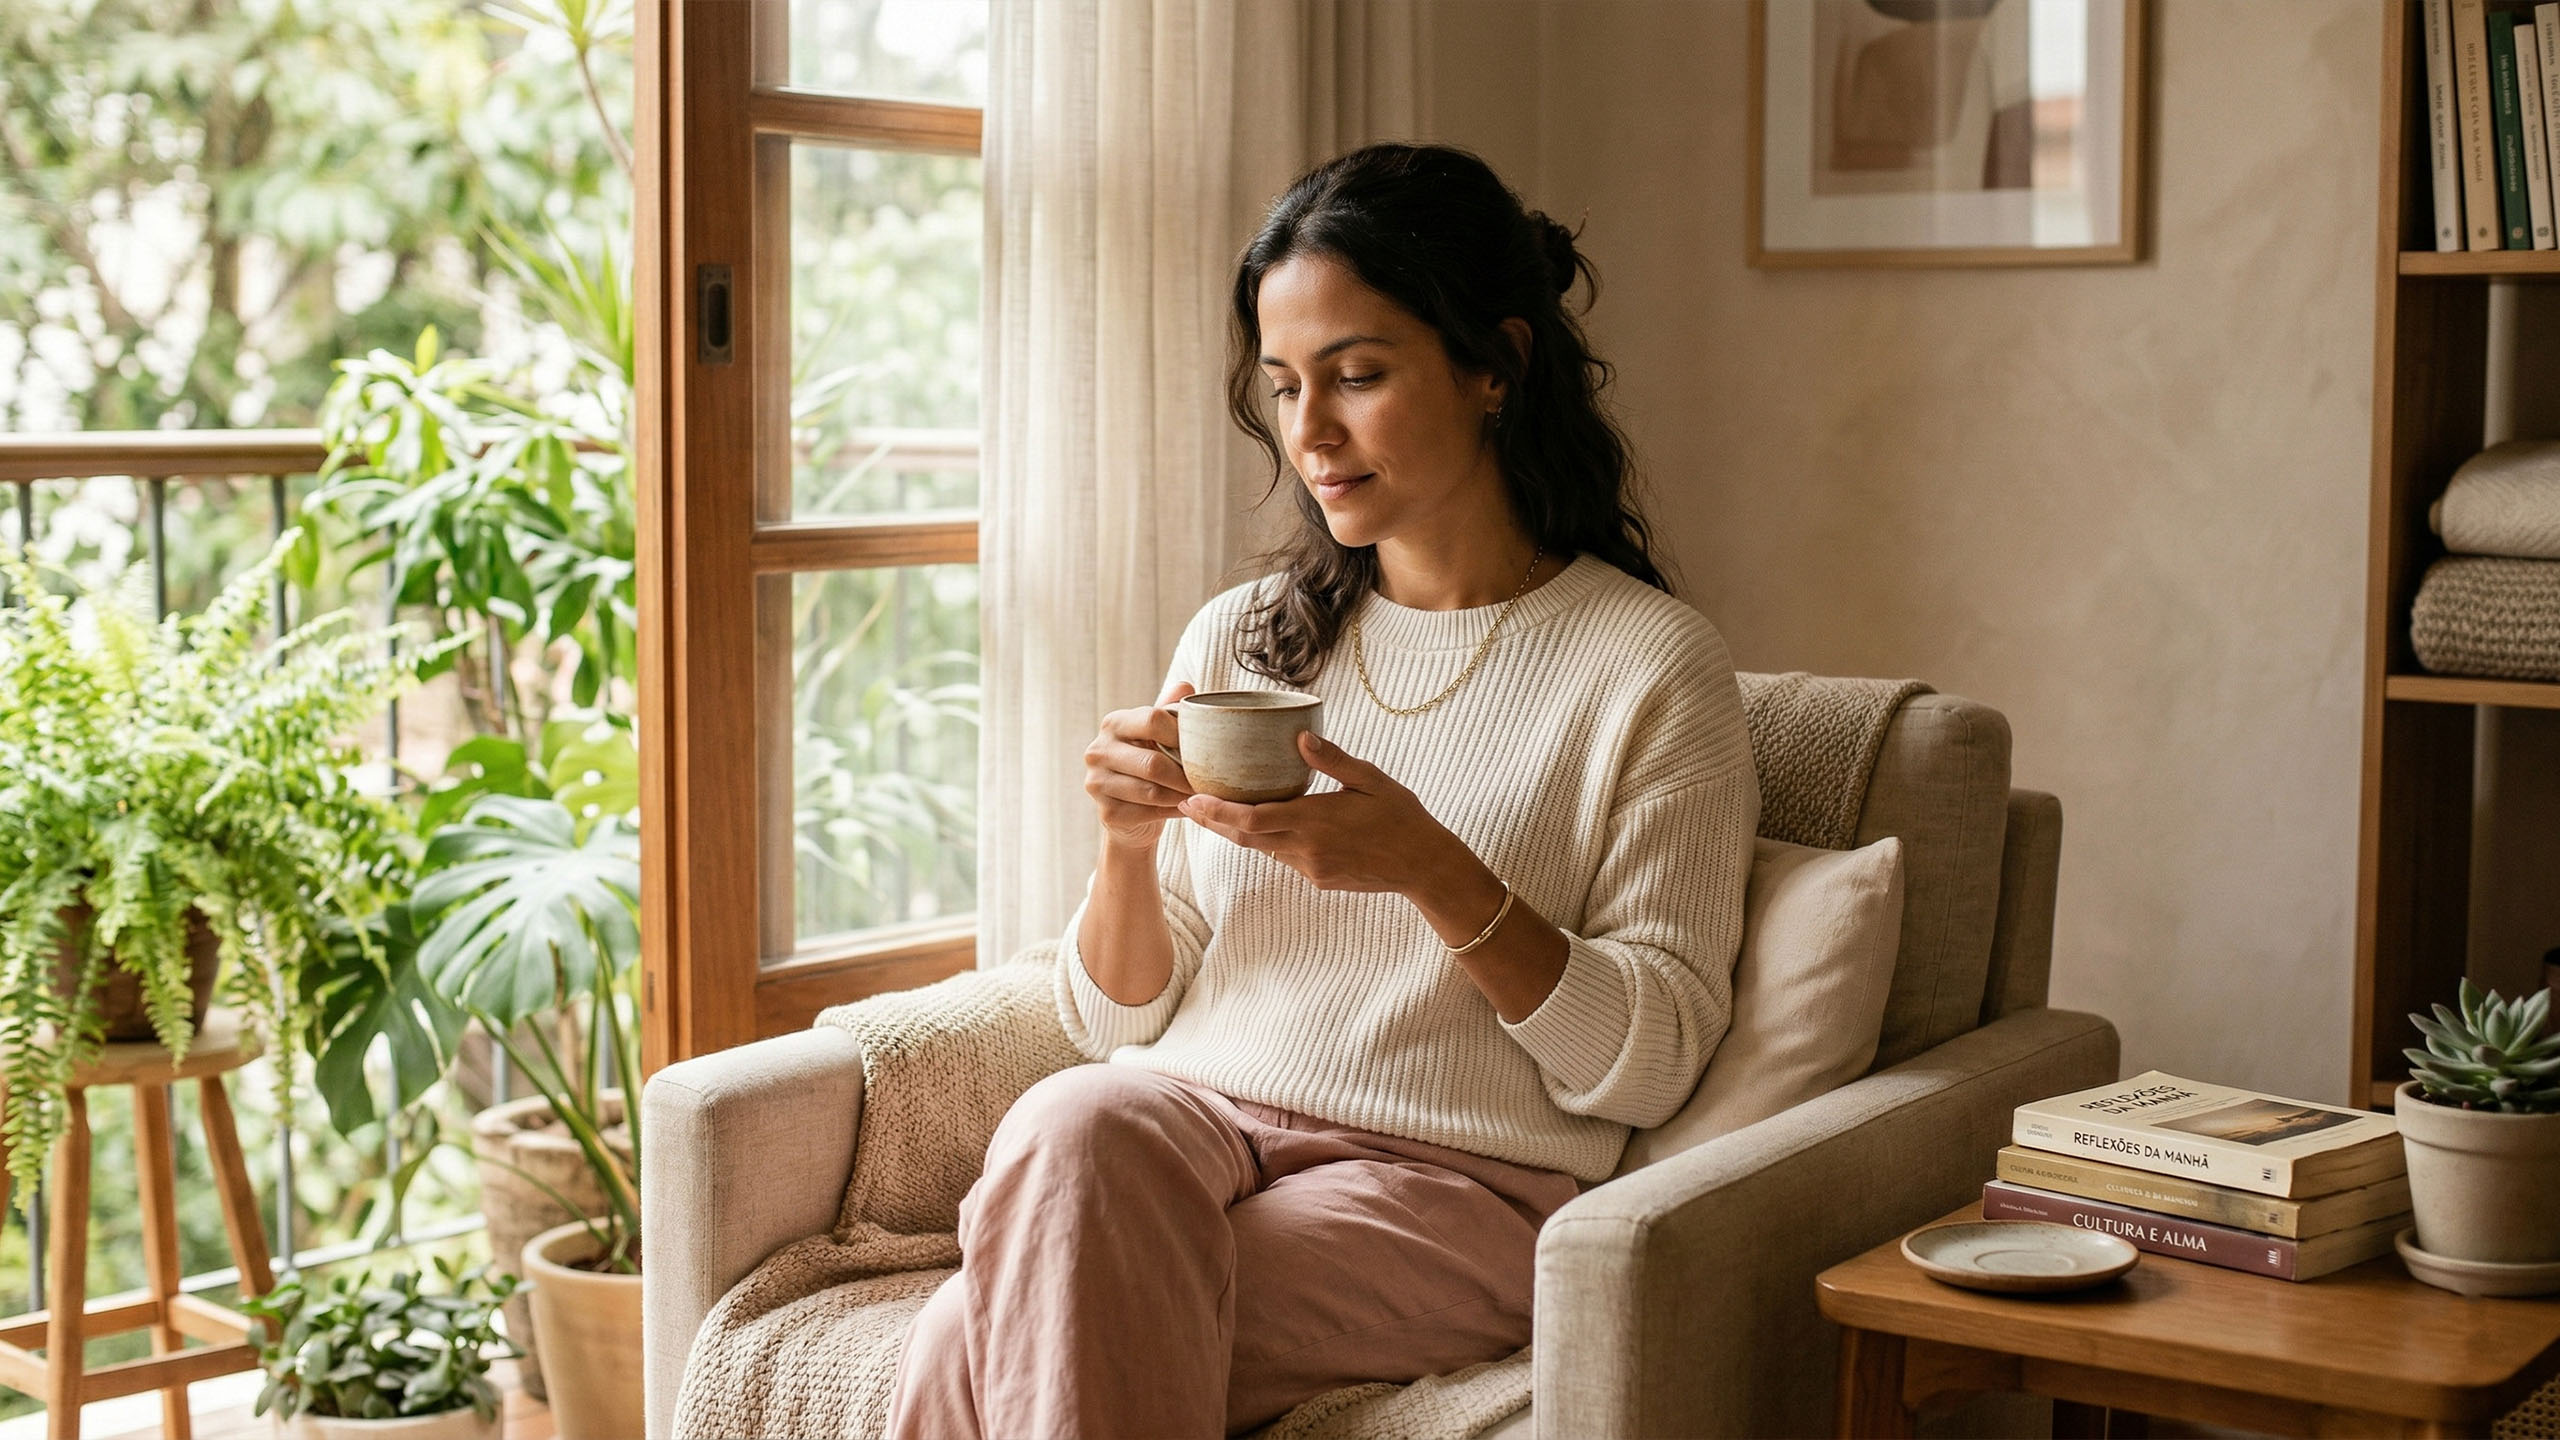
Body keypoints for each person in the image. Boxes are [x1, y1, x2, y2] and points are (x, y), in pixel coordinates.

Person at [886, 142, 1760, 1440]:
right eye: (1286, 385)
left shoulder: (1648, 668)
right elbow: (1117, 1024)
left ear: (1494, 366)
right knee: (1074, 1112)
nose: (1311, 433)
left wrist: (1430, 868)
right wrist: (1128, 849)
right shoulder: (1243, 642)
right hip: (1188, 1122)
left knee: (973, 1333)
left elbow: (1650, 1063)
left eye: (1357, 375)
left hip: (1457, 1186)